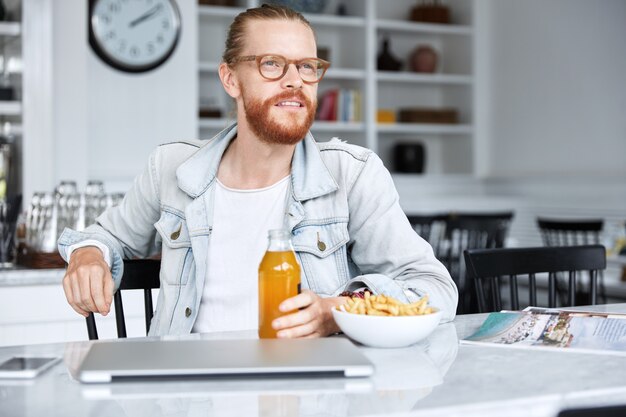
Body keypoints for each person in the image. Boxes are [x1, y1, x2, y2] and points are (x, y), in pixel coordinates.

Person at [58, 4, 457, 338]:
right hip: (183, 395)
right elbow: (104, 237)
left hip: (308, 395)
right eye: (272, 64)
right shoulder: (171, 169)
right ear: (231, 79)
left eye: (307, 66)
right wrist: (88, 255)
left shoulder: (352, 175)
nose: (294, 81)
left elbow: (436, 290)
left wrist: (340, 310)